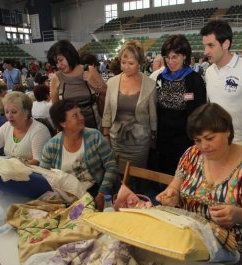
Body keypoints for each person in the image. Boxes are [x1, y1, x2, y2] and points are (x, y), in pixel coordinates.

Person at [156, 103, 242, 265]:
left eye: (210, 138)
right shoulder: (191, 155)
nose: (203, 146)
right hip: (192, 238)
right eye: (198, 140)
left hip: (235, 245)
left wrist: (240, 215)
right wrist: (171, 195)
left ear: (227, 131)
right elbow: (174, 187)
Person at [40, 100, 118, 211]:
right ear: (63, 123)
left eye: (81, 113)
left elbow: (111, 166)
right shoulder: (51, 147)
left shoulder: (94, 136)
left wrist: (102, 194)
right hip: (65, 197)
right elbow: (44, 176)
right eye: (75, 116)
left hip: (94, 190)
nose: (81, 117)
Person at [201, 20, 242, 146]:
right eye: (204, 46)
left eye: (211, 46)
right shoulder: (209, 72)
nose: (205, 52)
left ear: (225, 44)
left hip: (239, 144)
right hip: (214, 143)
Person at [156, 34, 207, 175]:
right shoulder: (162, 78)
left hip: (185, 138)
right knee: (165, 173)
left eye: (175, 57)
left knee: (183, 174)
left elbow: (200, 111)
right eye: (167, 57)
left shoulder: (194, 79)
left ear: (184, 56)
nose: (170, 61)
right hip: (164, 136)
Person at [102, 40, 157, 169]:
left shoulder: (150, 84)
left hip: (140, 141)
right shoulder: (112, 82)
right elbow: (107, 112)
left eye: (131, 63)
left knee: (139, 177)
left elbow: (153, 115)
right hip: (116, 139)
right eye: (123, 62)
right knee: (117, 176)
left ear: (139, 63)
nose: (126, 67)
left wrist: (153, 138)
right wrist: (106, 135)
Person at [47, 40, 107, 129]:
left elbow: (106, 92)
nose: (59, 65)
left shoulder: (89, 70)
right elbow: (56, 109)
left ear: (69, 55)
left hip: (94, 125)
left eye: (60, 60)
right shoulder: (56, 78)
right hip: (71, 129)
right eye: (56, 63)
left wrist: (94, 84)